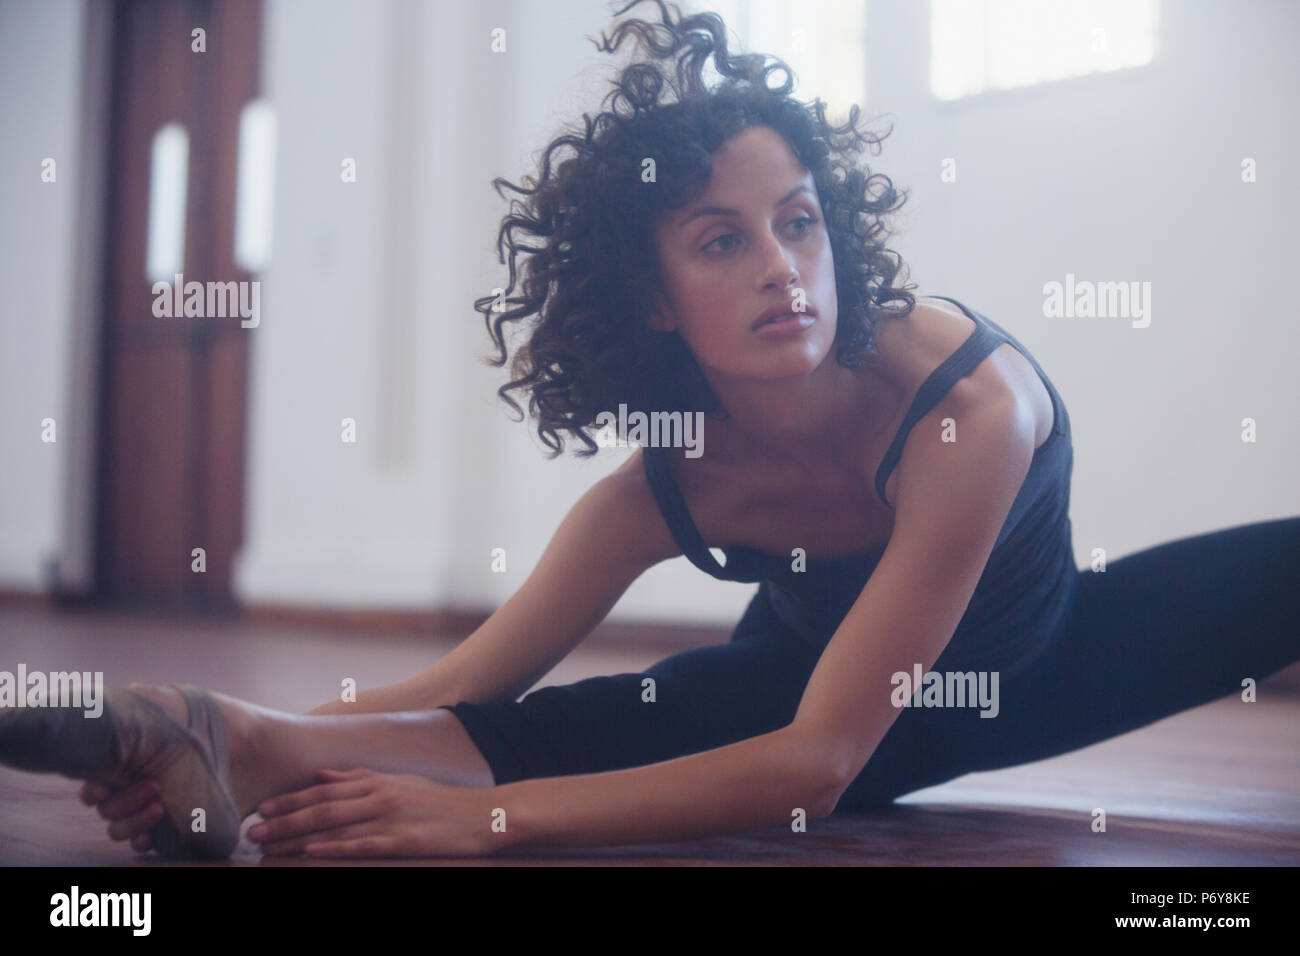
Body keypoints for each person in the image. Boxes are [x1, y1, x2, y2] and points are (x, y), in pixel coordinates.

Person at [2, 0, 1296, 860]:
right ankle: (216, 736)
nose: (783, 267)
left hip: (1042, 660)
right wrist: (270, 726)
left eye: (799, 222)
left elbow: (818, 767)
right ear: (649, 298)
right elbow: (468, 683)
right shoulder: (663, 486)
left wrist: (486, 824)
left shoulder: (971, 406)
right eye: (722, 241)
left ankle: (246, 749)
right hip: (785, 687)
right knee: (609, 718)